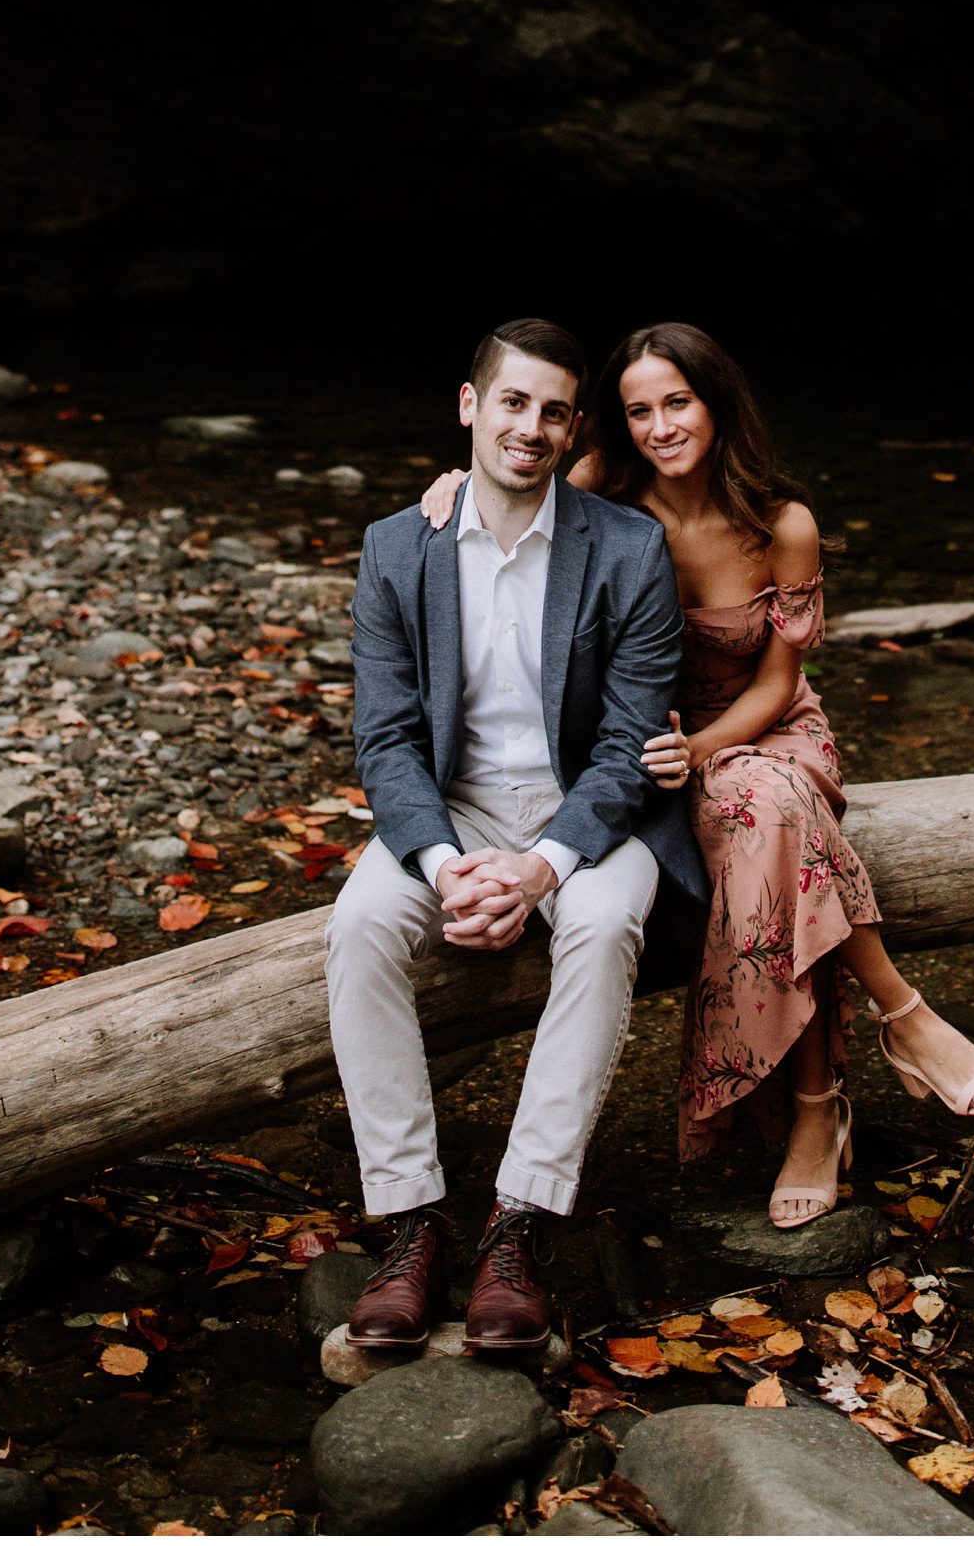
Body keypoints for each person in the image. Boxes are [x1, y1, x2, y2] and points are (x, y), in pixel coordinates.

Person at [421, 321, 974, 1233]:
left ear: (716, 402)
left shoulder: (783, 524)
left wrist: (704, 751)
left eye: (677, 402)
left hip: (764, 731)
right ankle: (889, 1039)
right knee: (774, 825)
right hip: (645, 743)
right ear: (614, 427)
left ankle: (834, 1098)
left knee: (768, 803)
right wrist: (454, 484)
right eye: (637, 411)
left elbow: (781, 683)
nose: (660, 426)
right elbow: (508, 495)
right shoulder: (596, 493)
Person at [326, 318, 705, 1356]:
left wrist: (542, 862)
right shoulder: (397, 545)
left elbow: (632, 737)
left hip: (590, 806)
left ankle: (518, 1223)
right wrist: (448, 868)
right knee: (359, 924)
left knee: (597, 923)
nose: (528, 427)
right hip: (453, 807)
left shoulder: (626, 547)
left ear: (573, 424)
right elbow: (386, 734)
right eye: (510, 402)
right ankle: (409, 1222)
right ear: (468, 405)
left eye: (550, 410)